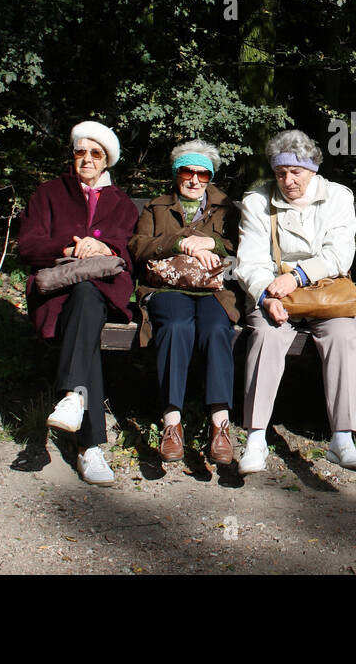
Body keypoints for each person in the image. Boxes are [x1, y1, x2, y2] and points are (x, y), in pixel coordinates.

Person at [232, 130, 356, 474]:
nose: (288, 180)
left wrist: (299, 276)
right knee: (266, 336)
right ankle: (256, 437)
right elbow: (250, 260)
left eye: (297, 172)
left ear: (313, 171)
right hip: (275, 292)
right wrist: (263, 294)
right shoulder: (257, 201)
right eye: (281, 173)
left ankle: (342, 438)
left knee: (344, 337)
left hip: (325, 291)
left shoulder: (337, 196)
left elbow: (340, 252)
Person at [17, 121, 139, 486]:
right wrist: (67, 249)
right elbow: (28, 246)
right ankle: (91, 448)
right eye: (80, 152)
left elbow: (131, 255)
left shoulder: (122, 204)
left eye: (95, 153)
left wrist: (104, 247)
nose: (86, 159)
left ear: (107, 161)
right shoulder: (49, 193)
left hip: (102, 293)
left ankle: (72, 396)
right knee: (84, 319)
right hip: (57, 293)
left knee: (88, 294)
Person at [128, 141, 239, 466]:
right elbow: (138, 246)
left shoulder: (226, 208)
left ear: (210, 176)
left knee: (217, 328)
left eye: (202, 173)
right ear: (177, 173)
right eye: (187, 171)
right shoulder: (156, 206)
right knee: (175, 325)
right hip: (167, 288)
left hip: (214, 290)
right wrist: (179, 242)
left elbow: (239, 248)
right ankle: (171, 422)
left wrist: (212, 242)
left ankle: (220, 425)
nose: (194, 179)